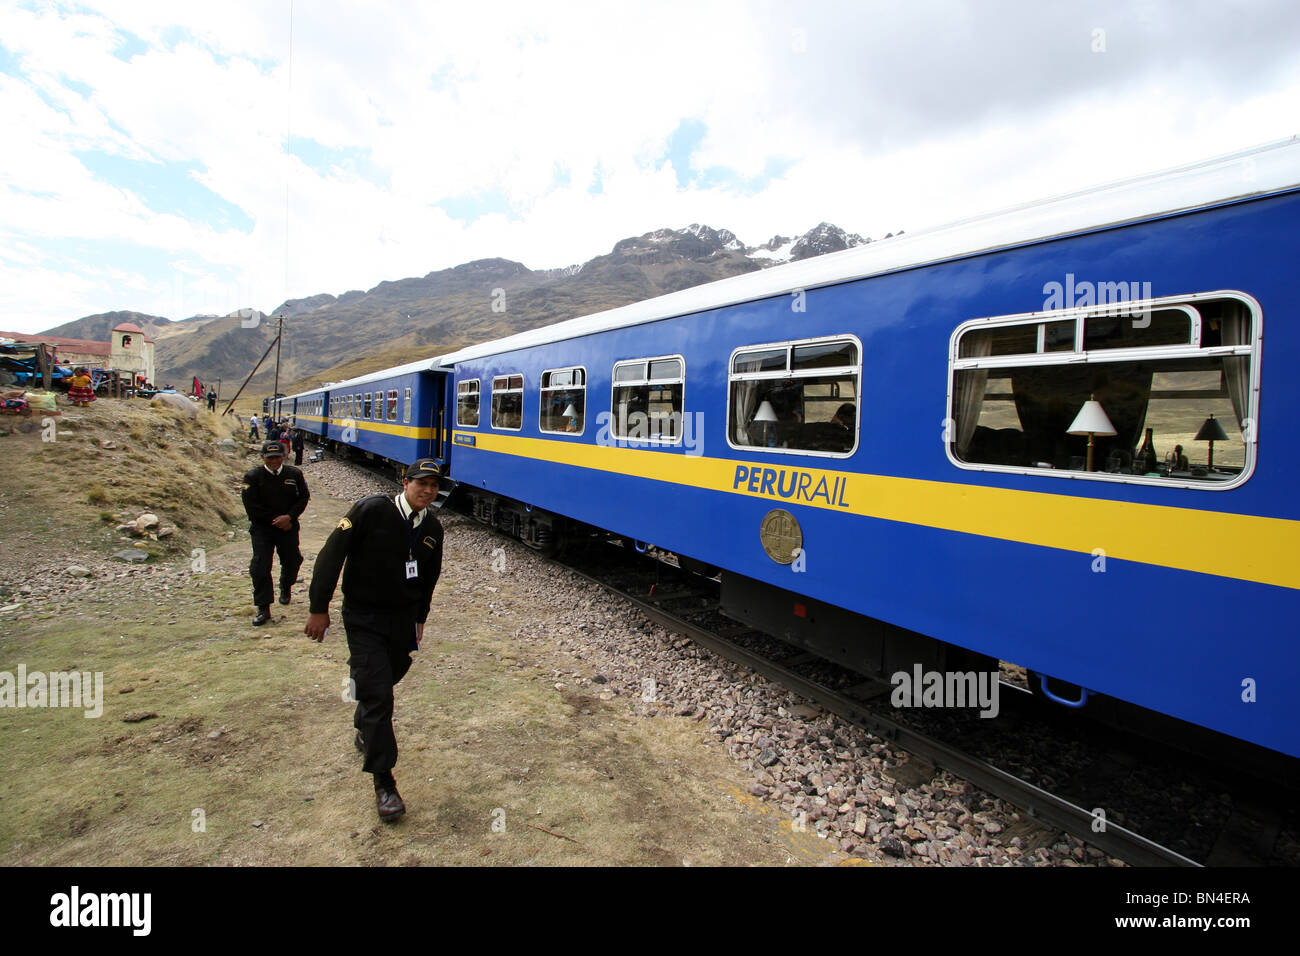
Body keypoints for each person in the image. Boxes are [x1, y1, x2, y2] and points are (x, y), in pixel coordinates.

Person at [305, 459, 445, 823]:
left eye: (434, 485)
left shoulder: (432, 527)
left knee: (389, 674)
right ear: (405, 482)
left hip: (401, 620)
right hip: (364, 617)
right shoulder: (370, 510)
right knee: (379, 694)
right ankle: (384, 782)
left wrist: (420, 619)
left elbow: (428, 578)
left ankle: (365, 718)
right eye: (421, 484)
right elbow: (330, 555)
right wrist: (319, 608)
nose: (428, 491)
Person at [241, 440, 310, 627]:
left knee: (293, 560)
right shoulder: (252, 477)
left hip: (288, 527)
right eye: (270, 457)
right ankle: (263, 608)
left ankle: (286, 585)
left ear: (284, 457)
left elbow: (303, 497)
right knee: (260, 566)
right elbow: (252, 507)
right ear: (262, 457)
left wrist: (289, 517)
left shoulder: (294, 474)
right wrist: (277, 520)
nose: (274, 461)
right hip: (263, 529)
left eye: (278, 457)